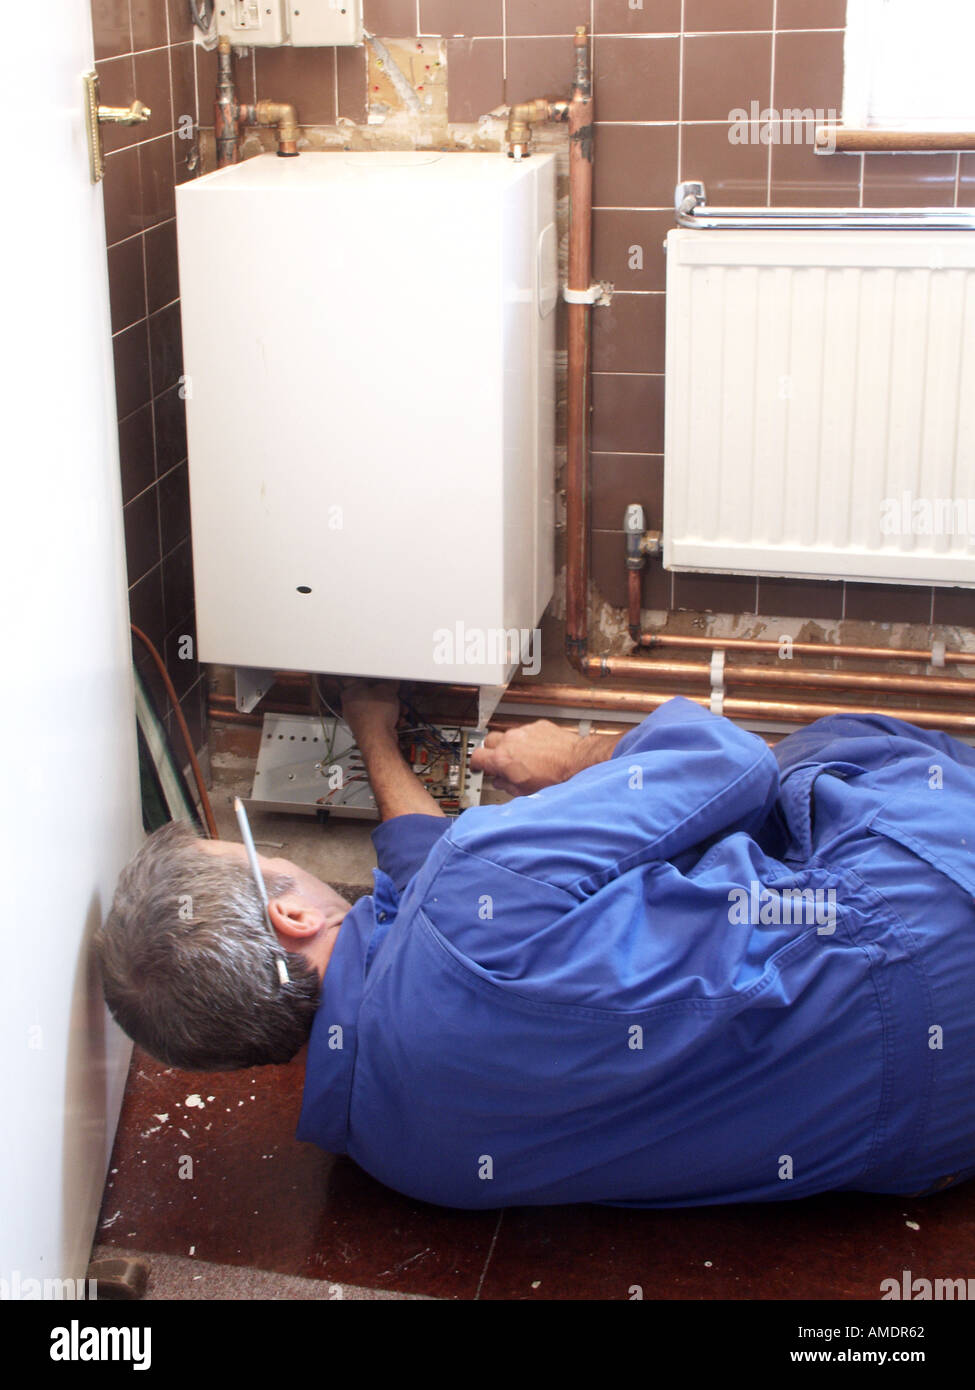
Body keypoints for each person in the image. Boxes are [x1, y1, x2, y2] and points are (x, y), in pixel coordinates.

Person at [95, 683, 975, 1209]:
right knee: (826, 754)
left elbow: (422, 884)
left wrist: (372, 733)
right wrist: (576, 755)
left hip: (921, 1147)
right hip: (931, 930)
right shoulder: (482, 878)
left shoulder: (394, 1153)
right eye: (266, 853)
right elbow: (726, 761)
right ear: (290, 914)